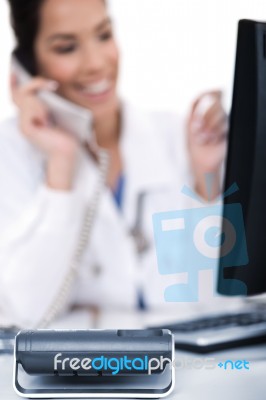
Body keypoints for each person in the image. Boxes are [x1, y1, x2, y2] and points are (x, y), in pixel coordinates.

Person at [0, 0, 228, 329]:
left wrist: (205, 182)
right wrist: (61, 165)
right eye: (66, 47)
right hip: (78, 376)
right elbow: (27, 312)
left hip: (187, 374)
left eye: (103, 35)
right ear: (28, 65)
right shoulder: (11, 153)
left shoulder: (179, 138)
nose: (95, 63)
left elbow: (222, 307)